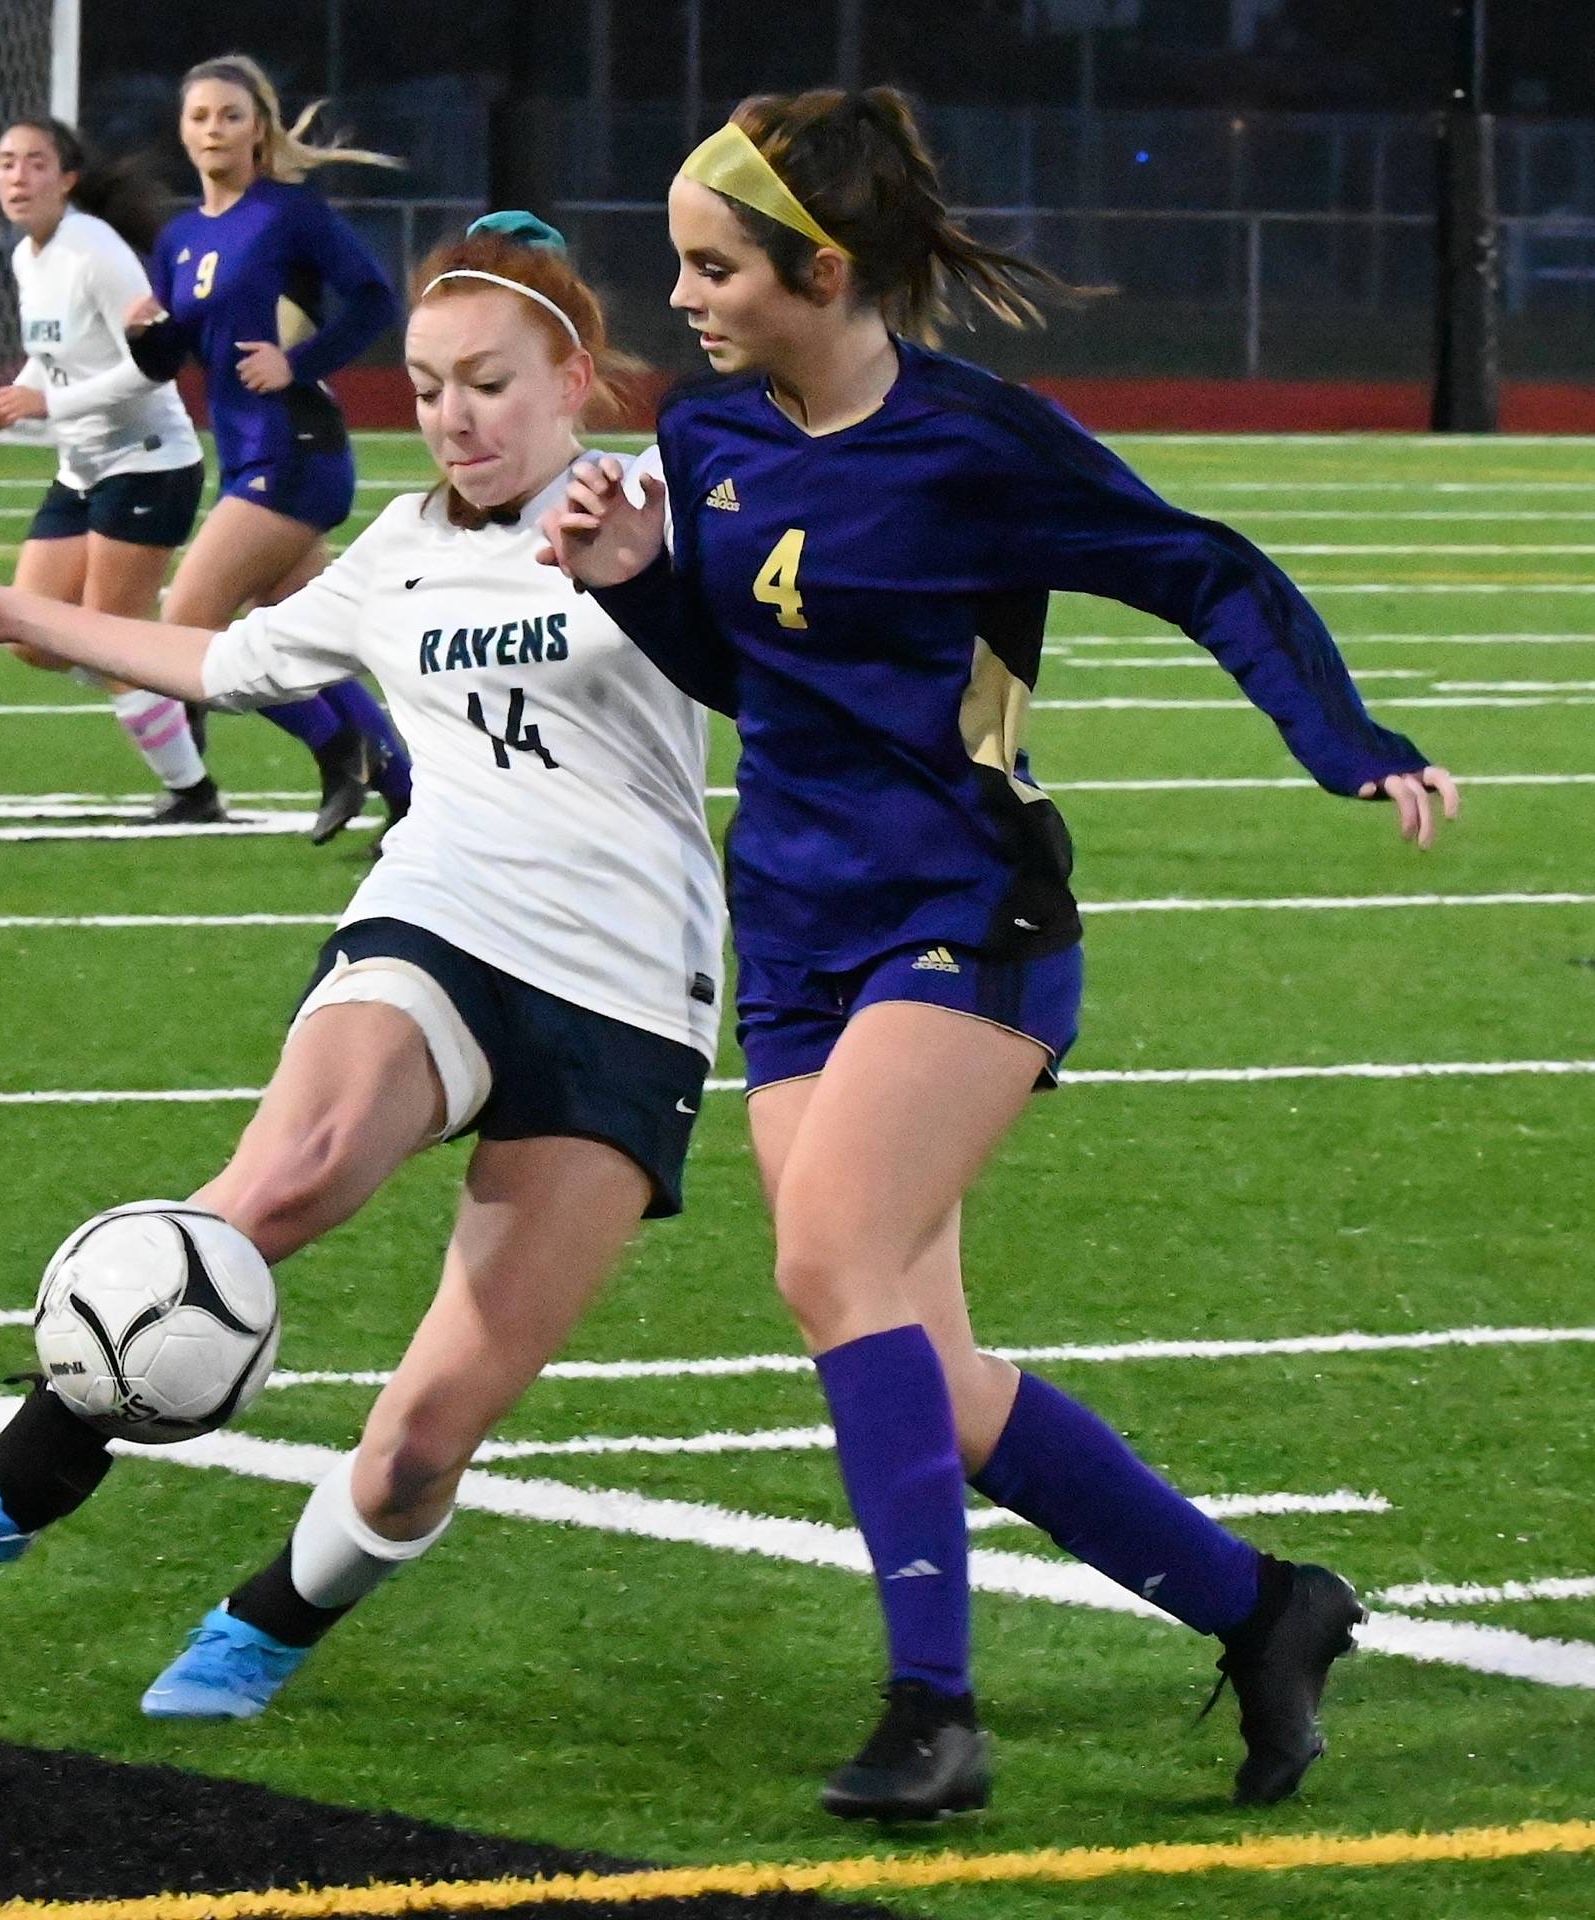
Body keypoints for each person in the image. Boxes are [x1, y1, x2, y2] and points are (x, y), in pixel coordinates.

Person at [540, 88, 1462, 1822]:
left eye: (712, 264)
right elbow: (770, 678)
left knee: (831, 1268)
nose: (682, 297)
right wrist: (639, 587)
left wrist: (1343, 739)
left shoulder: (978, 442)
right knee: (920, 1363)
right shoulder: (707, 434)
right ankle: (1263, 1608)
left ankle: (931, 1713)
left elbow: (1211, 573)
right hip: (798, 931)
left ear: (820, 269)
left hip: (967, 916)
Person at [0, 215, 727, 1726]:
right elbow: (220, 661)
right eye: (430, 384)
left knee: (431, 1430)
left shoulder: (657, 509)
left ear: (571, 378)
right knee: (288, 1175)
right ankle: (0, 1494)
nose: (453, 414)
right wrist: (13, 610)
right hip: (444, 913)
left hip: (632, 982)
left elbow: (786, 659)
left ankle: (270, 1620)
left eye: (490, 383)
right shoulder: (393, 553)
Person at [129, 54, 413, 846]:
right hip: (249, 456)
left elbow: (375, 300)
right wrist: (143, 339)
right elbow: (173, 356)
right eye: (199, 117)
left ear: (259, 127)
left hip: (297, 450)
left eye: (230, 114)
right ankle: (412, 795)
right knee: (301, 638)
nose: (214, 129)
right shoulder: (181, 238)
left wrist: (301, 362)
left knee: (187, 627)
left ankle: (338, 746)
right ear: (183, 133)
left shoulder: (289, 212)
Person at [0, 118, 218, 824]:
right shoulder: (30, 256)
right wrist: (12, 396)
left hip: (149, 464)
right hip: (82, 468)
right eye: (5, 163)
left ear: (67, 177)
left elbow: (150, 368)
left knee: (109, 643)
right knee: (32, 636)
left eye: (34, 163)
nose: (18, 177)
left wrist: (44, 401)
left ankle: (193, 793)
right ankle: (167, 673)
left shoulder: (95, 251)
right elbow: (55, 355)